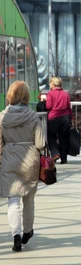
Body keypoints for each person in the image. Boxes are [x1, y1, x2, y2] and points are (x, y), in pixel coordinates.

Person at [0, 81, 45, 252]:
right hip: (29, 157)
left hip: (9, 157)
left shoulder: (2, 117)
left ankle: (16, 235)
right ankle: (28, 230)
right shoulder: (33, 117)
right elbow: (40, 144)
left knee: (13, 200)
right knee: (28, 198)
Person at [45, 76, 72, 164]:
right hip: (65, 118)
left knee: (51, 137)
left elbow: (48, 106)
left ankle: (55, 153)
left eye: (50, 83)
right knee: (63, 138)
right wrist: (70, 119)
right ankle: (64, 159)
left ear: (53, 84)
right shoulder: (65, 94)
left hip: (53, 117)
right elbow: (69, 107)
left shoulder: (50, 94)